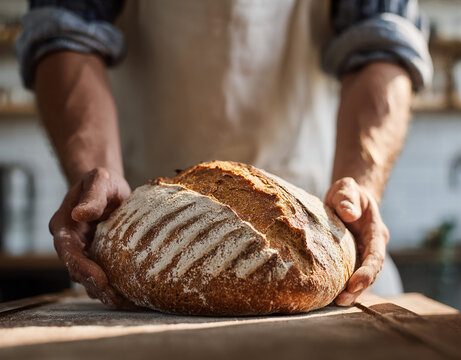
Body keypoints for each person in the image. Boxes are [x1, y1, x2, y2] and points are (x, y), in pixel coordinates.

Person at [16, 0, 432, 308]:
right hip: (140, 227)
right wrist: (97, 176)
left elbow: (384, 39)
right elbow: (64, 29)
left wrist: (357, 189)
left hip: (315, 222)